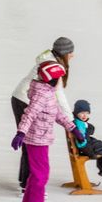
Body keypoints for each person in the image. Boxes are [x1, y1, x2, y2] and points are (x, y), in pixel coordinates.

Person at [11, 61, 82, 202]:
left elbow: (56, 112)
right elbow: (29, 114)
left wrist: (72, 128)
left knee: (37, 174)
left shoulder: (47, 92)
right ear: (53, 79)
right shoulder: (42, 95)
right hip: (37, 139)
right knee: (41, 175)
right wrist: (20, 133)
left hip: (41, 138)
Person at [11, 37, 74, 191]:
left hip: (26, 97)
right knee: (31, 142)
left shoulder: (52, 61)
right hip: (25, 99)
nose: (73, 55)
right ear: (64, 53)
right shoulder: (53, 66)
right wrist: (70, 118)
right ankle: (27, 185)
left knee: (30, 143)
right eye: (71, 52)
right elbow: (58, 93)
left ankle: (26, 182)